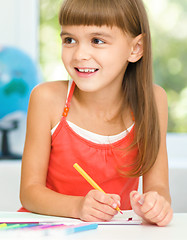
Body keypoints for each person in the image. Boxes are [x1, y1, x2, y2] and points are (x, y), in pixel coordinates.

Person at [19, 0, 173, 226]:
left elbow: (158, 188)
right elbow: (29, 192)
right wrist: (78, 207)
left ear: (135, 48)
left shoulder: (153, 100)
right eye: (69, 40)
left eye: (97, 40)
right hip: (47, 229)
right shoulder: (46, 99)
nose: (80, 54)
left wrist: (155, 205)